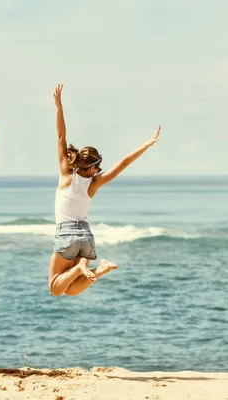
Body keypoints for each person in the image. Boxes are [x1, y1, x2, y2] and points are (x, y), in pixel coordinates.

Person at [49, 84, 162, 296]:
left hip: (67, 233)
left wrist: (59, 107)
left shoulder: (66, 173)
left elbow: (60, 136)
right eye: (97, 167)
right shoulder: (95, 183)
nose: (99, 170)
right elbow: (123, 163)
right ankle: (98, 270)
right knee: (71, 291)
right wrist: (147, 144)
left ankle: (82, 268)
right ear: (91, 168)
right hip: (86, 236)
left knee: (55, 288)